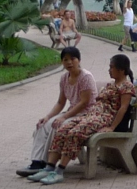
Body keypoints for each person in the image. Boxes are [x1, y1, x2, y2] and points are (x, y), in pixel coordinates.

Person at [27, 54, 137, 185]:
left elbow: (123, 108)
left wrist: (112, 127)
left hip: (103, 119)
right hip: (92, 115)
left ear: (121, 70)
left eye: (111, 67)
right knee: (62, 130)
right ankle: (49, 168)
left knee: (75, 133)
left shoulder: (126, 86)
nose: (109, 70)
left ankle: (59, 172)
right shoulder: (111, 84)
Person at [17, 46, 96, 177]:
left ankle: (47, 163)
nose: (69, 62)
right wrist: (47, 116)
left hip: (86, 114)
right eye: (65, 60)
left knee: (57, 125)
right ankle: (36, 162)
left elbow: (84, 103)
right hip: (71, 113)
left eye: (72, 59)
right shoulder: (64, 78)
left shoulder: (86, 77)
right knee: (43, 125)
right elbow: (60, 102)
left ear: (79, 60)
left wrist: (64, 117)